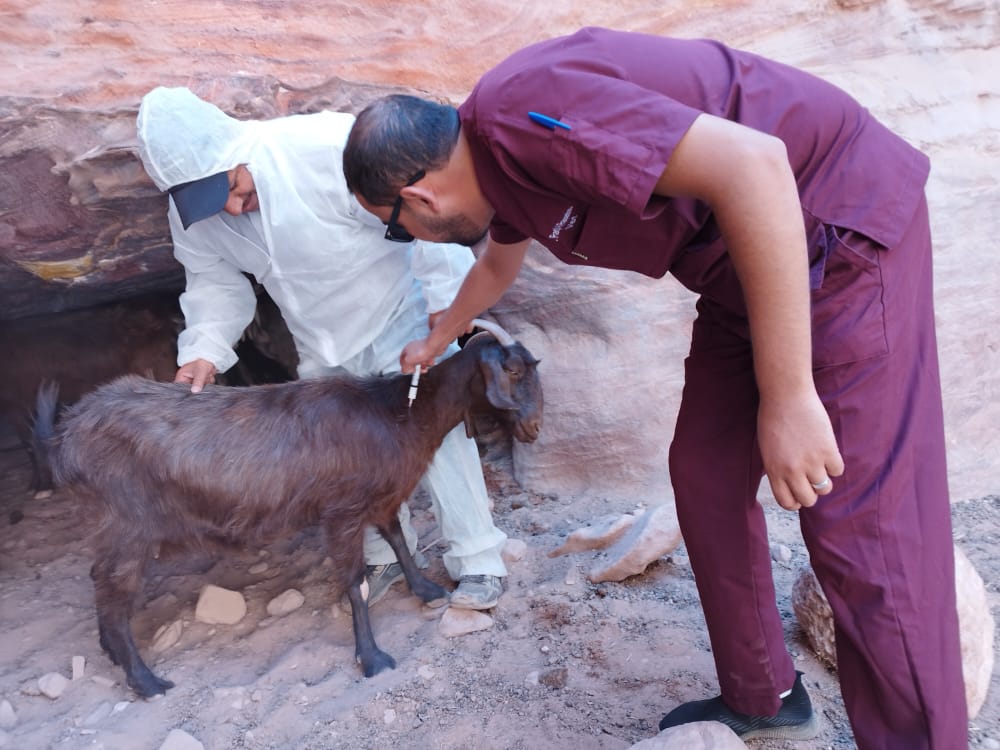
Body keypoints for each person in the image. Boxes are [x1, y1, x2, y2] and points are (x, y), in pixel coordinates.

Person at [341, 27, 968, 749]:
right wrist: (437, 336)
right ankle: (765, 700)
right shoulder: (494, 171)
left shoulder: (523, 116)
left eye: (395, 228)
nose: (410, 238)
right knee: (705, 473)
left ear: (415, 195)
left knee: (859, 525)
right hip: (743, 272)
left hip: (837, 234)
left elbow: (756, 166)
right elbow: (495, 267)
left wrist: (790, 396)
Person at [135, 86, 507, 611]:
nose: (231, 206)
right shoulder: (196, 215)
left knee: (435, 436)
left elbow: (427, 223)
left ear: (234, 148)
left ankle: (478, 560)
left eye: (234, 187)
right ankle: (381, 554)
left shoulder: (328, 147)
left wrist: (444, 315)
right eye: (209, 200)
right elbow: (213, 282)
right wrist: (203, 351)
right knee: (342, 460)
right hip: (319, 341)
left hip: (398, 318)